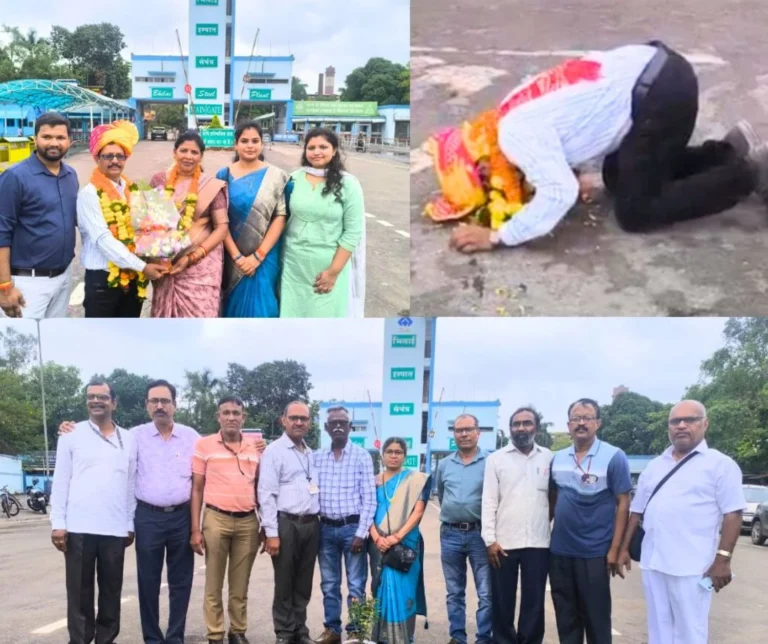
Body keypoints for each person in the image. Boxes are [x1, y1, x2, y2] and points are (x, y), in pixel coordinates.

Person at [430, 42, 768, 254]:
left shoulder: (514, 138)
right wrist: (571, 176)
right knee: (617, 176)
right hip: (657, 69)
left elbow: (557, 193)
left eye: (487, 185)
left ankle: (748, 174)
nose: (494, 189)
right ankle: (724, 153)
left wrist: (497, 236)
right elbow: (563, 122)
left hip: (662, 96)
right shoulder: (505, 116)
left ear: (484, 167)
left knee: (636, 211)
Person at [618, 400, 747, 644]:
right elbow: (636, 512)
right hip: (654, 562)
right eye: (675, 421)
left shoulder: (720, 465)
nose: (682, 425)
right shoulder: (656, 466)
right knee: (658, 629)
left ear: (704, 424)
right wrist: (624, 549)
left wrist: (723, 559)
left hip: (691, 567)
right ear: (669, 427)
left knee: (690, 631)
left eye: (690, 420)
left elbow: (733, 514)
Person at [49, 380, 138, 644]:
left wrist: (129, 523)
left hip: (114, 529)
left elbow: (131, 484)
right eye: (90, 396)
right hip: (78, 528)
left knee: (111, 593)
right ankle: (79, 640)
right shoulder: (71, 435)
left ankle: (106, 640)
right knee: (79, 594)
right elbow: (61, 480)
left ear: (114, 402)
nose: (95, 401)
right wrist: (58, 523)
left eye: (102, 396)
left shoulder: (129, 439)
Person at [549, 398, 632, 644]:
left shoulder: (614, 456)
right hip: (560, 552)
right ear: (568, 424)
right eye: (576, 418)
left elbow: (623, 503)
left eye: (587, 418)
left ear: (598, 423)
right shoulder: (558, 458)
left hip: (595, 552)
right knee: (566, 618)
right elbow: (553, 499)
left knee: (596, 618)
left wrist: (615, 549)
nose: (581, 423)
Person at [190, 396, 262, 644]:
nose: (231, 417)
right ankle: (215, 633)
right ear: (218, 416)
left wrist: (266, 526)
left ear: (244, 417)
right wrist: (195, 529)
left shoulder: (256, 448)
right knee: (213, 582)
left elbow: (261, 488)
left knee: (240, 583)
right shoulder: (204, 445)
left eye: (236, 413)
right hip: (216, 518)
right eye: (226, 413)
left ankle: (238, 631)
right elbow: (197, 489)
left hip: (248, 522)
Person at [77, 121, 166, 317]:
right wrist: (144, 267)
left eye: (120, 156)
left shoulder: (131, 189)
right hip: (103, 280)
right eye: (108, 156)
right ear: (96, 158)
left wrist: (164, 252)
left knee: (128, 337)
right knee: (101, 340)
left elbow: (148, 227)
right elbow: (103, 239)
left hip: (133, 277)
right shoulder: (89, 194)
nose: (115, 161)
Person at [482, 408, 553, 644]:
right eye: (516, 424)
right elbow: (489, 500)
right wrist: (490, 540)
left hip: (539, 542)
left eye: (527, 423)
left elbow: (554, 498)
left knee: (534, 602)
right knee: (502, 601)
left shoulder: (549, 458)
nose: (521, 428)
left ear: (537, 428)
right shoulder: (496, 459)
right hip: (503, 542)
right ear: (510, 428)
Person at [280, 127, 366, 318]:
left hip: (328, 270)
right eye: (311, 147)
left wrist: (333, 272)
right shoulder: (293, 179)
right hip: (293, 269)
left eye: (323, 147)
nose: (316, 152)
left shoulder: (348, 184)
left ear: (334, 150)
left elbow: (352, 232)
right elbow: (281, 221)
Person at [0, 113, 79, 318]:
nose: (54, 143)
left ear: (70, 141)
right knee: (23, 346)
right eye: (47, 137)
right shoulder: (15, 177)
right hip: (28, 283)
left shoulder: (70, 175)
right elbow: (2, 233)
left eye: (60, 138)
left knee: (53, 341)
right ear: (35, 139)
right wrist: (5, 286)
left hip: (63, 277)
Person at [312, 406, 377, 644]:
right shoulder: (316, 457)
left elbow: (369, 498)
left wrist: (361, 533)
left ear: (350, 427)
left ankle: (355, 631)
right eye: (333, 423)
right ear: (327, 428)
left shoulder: (362, 456)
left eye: (343, 422)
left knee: (356, 584)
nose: (338, 426)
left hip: (353, 530)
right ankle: (332, 630)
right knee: (329, 584)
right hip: (325, 529)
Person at [258, 401, 320, 644]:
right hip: (286, 524)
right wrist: (271, 533)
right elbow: (266, 494)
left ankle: (300, 631)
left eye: (303, 419)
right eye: (293, 418)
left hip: (311, 525)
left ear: (309, 423)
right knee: (284, 581)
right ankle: (284, 633)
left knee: (303, 581)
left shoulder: (310, 453)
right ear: (283, 420)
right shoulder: (274, 451)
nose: (299, 422)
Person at [150, 131, 229, 317]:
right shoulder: (159, 180)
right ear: (174, 152)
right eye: (183, 150)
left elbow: (222, 228)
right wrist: (153, 260)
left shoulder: (211, 185)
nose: (188, 156)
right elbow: (150, 223)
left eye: (194, 152)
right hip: (167, 264)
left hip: (200, 265)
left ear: (201, 156)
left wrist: (193, 257)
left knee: (200, 321)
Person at [217, 121, 289, 317]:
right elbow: (219, 220)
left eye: (255, 141)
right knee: (231, 307)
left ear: (262, 144)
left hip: (265, 256)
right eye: (244, 141)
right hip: (233, 257)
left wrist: (258, 256)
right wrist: (238, 257)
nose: (250, 145)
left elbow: (280, 217)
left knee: (262, 307)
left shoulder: (277, 176)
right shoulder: (223, 174)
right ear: (236, 145)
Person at [435, 414, 492, 644]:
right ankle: (457, 637)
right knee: (454, 592)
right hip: (450, 534)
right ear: (454, 434)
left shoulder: (490, 462)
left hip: (480, 535)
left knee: (486, 592)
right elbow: (440, 494)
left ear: (479, 432)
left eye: (469, 429)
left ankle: (483, 638)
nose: (464, 434)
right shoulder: (444, 465)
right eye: (459, 430)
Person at [369, 437, 430, 644]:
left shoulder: (415, 479)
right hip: (379, 544)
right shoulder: (373, 480)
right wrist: (377, 538)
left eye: (398, 452)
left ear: (405, 455)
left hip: (406, 544)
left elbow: (418, 511)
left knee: (404, 592)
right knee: (381, 590)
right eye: (389, 451)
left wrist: (396, 537)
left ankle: (404, 639)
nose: (393, 455)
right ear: (382, 454)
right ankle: (383, 639)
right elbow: (366, 511)